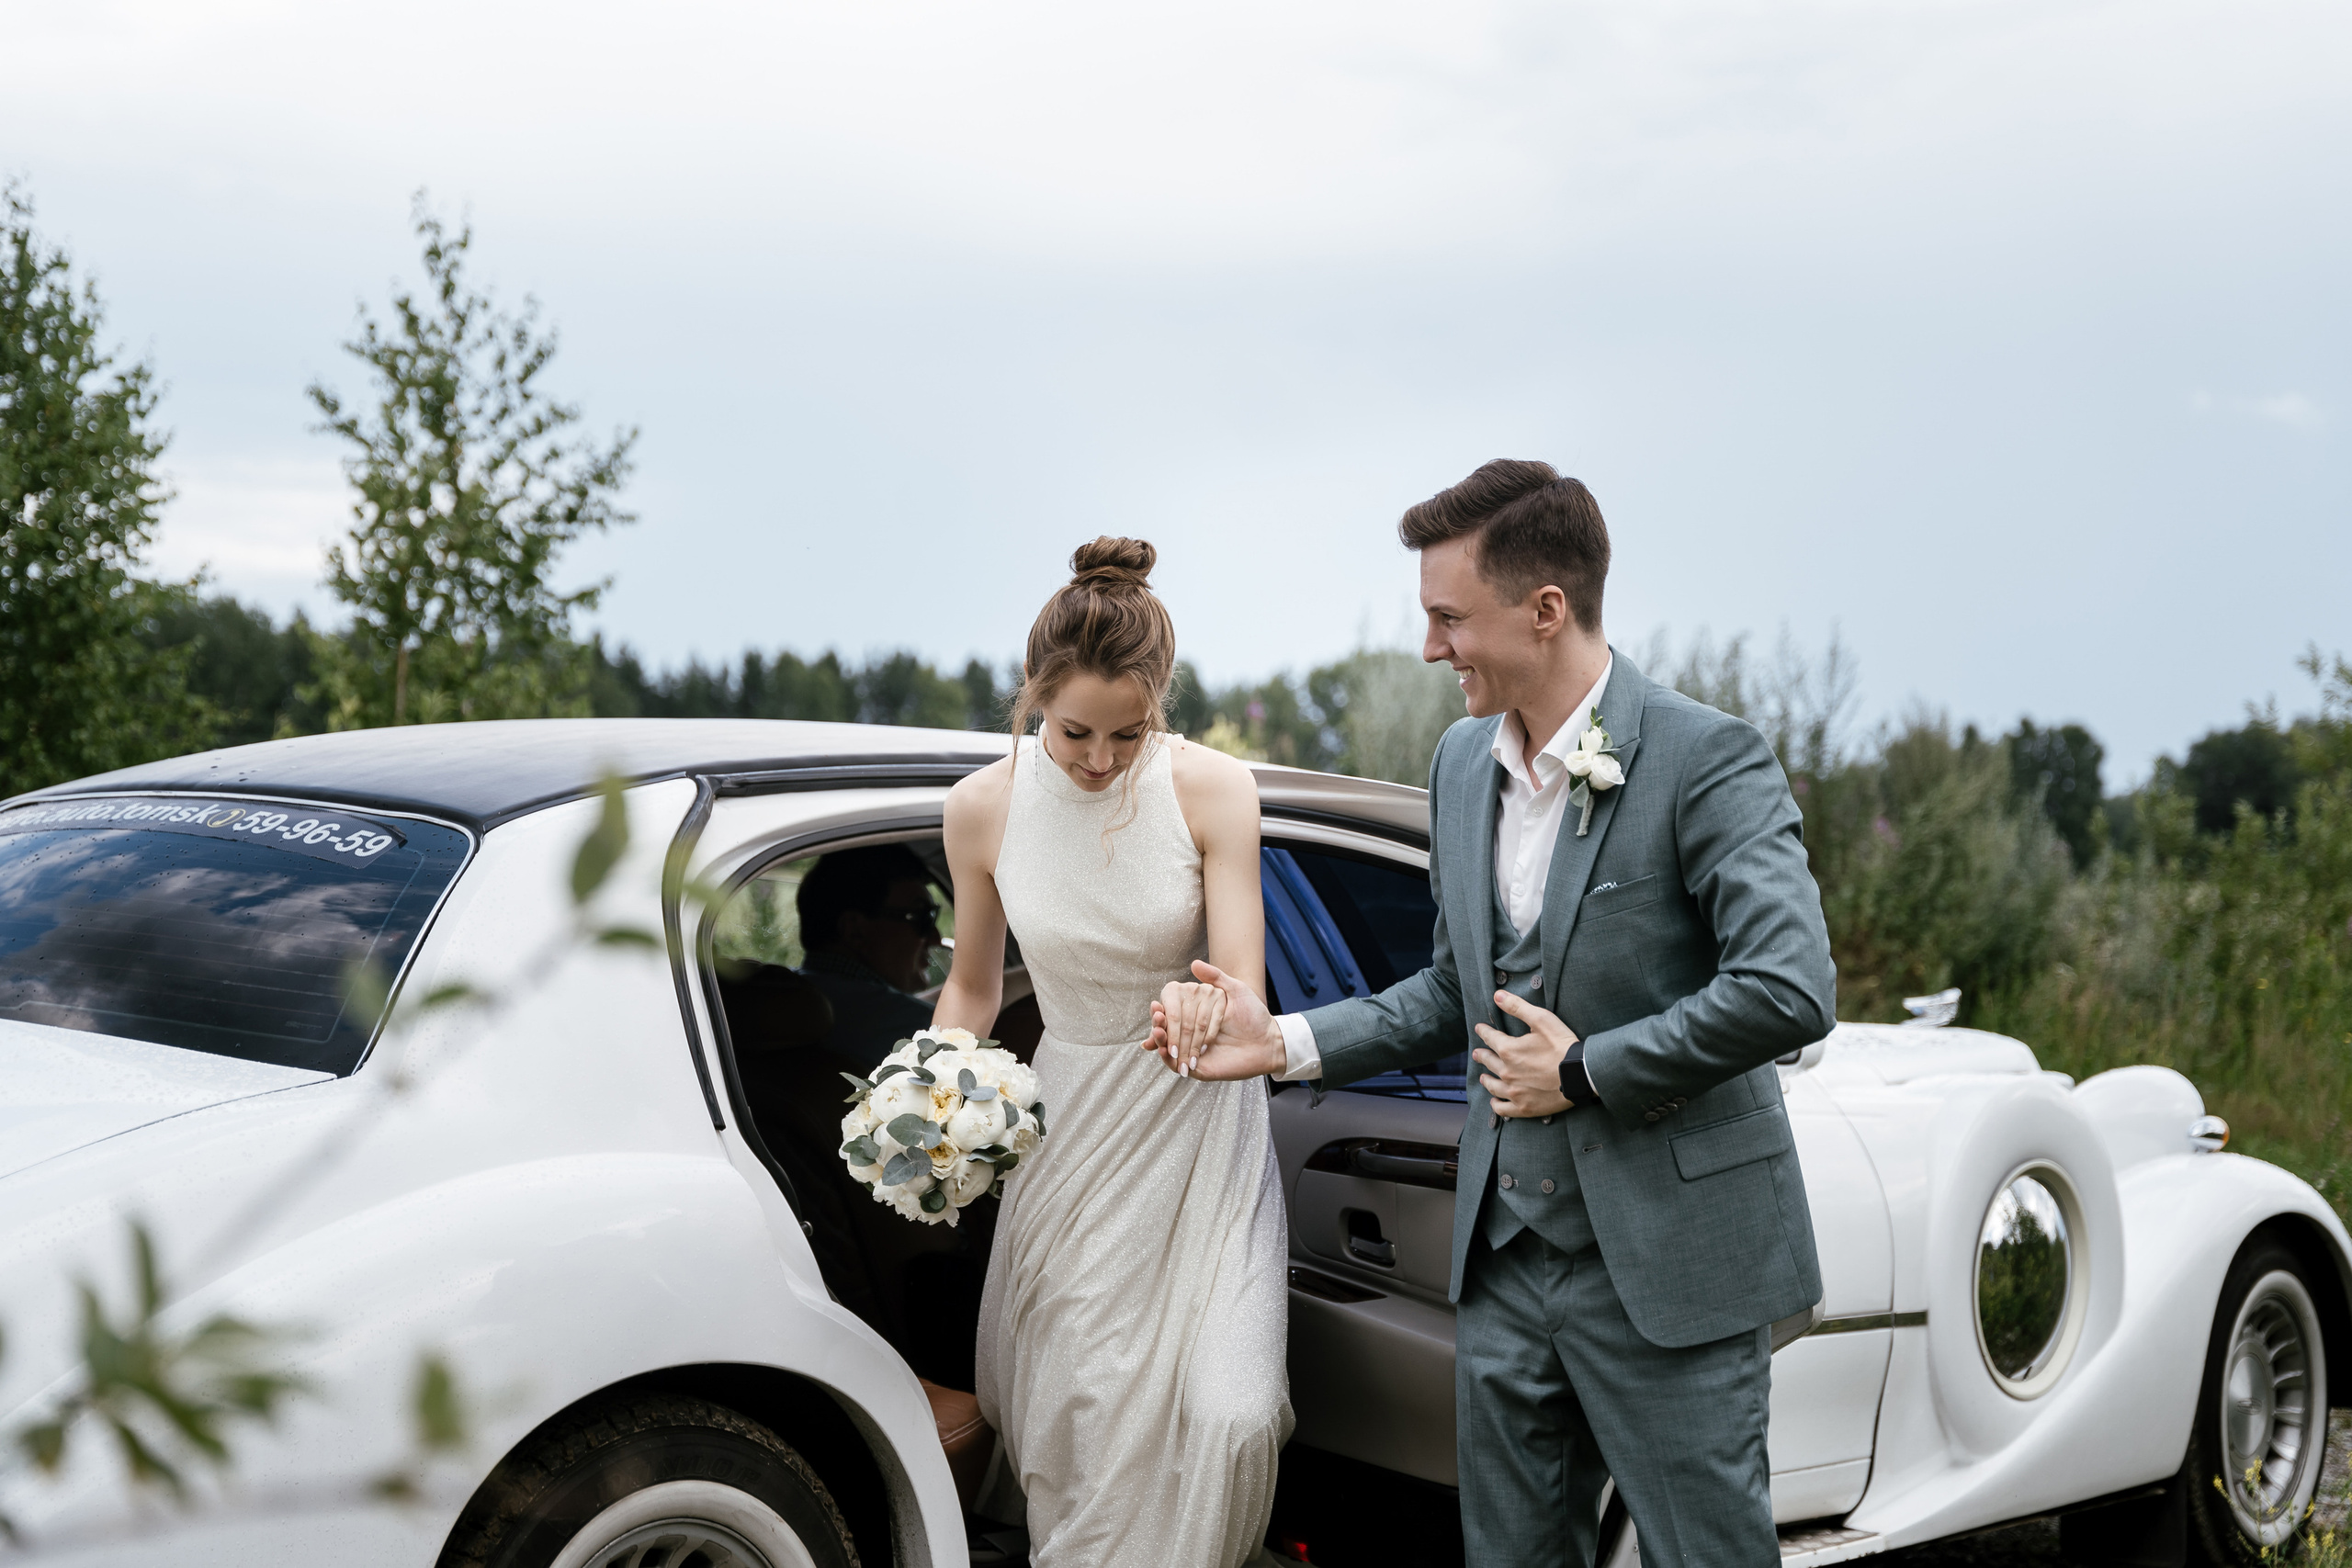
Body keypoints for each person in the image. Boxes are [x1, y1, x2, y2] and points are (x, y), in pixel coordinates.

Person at [1157, 461, 1835, 1568]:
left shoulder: (1707, 759)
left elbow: (1789, 988)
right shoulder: (1461, 762)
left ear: (1545, 610)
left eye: (1448, 618)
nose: (1431, 649)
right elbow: (1449, 988)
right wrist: (1279, 1041)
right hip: (1505, 1261)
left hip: (1670, 1265)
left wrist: (1583, 1073)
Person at [933, 536, 1293, 1568]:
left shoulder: (1215, 790)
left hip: (1197, 1122)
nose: (1097, 759)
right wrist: (936, 1095)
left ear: (1160, 705)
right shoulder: (982, 807)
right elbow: (971, 984)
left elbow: (1241, 987)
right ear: (1033, 696)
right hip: (1070, 1120)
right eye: (1074, 731)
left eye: (1127, 736)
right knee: (1079, 1417)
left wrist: (1200, 1001)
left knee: (1233, 1412)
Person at [795, 844, 943, 1068]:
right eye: (920, 917)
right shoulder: (921, 1032)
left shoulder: (793, 995)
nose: (936, 937)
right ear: (855, 931)